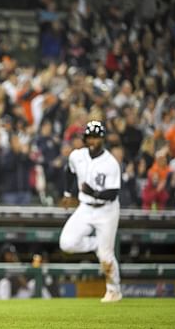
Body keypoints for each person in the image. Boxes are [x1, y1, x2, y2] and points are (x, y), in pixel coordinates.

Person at [59, 120, 123, 303]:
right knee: (67, 243)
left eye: (96, 137)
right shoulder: (77, 156)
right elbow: (69, 171)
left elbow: (113, 193)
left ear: (102, 138)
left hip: (107, 210)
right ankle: (96, 244)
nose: (92, 140)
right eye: (89, 137)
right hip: (85, 207)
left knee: (106, 257)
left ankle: (114, 290)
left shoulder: (110, 163)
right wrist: (67, 193)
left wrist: (93, 192)